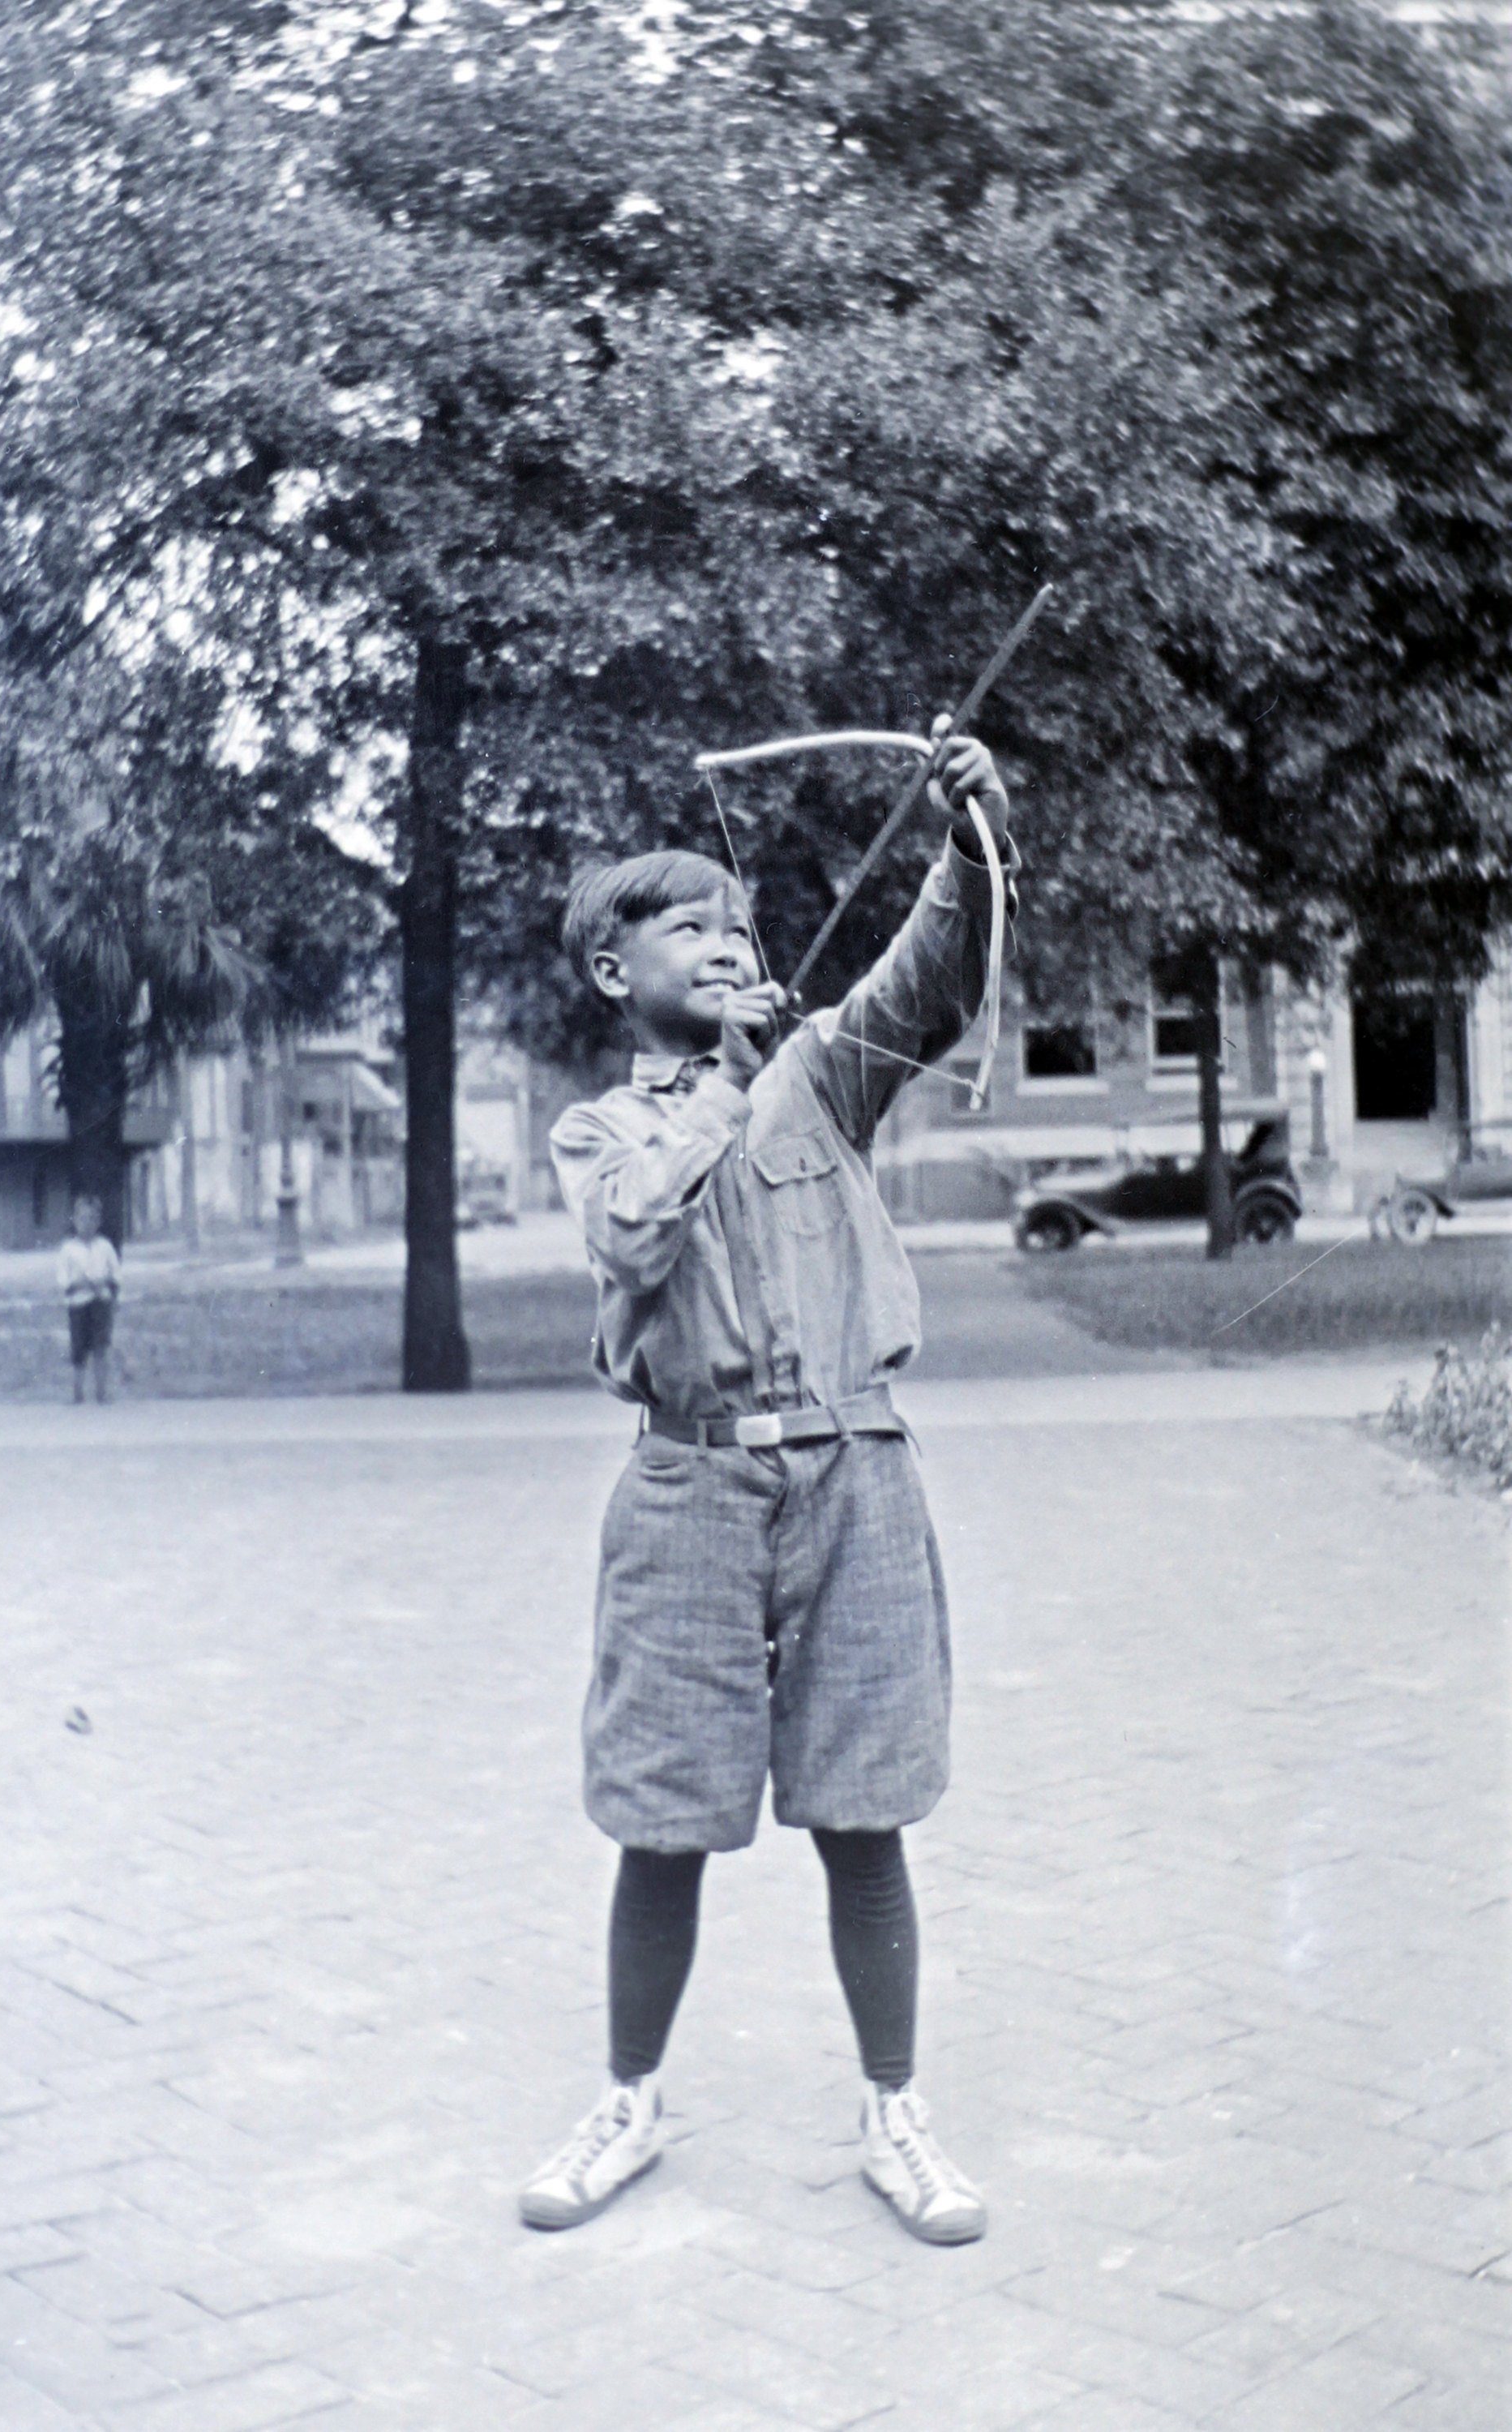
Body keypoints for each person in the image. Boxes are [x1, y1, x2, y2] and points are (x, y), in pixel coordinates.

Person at [523, 718, 1017, 2245]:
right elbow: (630, 1240)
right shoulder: (603, 1124)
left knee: (864, 1815)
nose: (728, 943)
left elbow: (935, 971)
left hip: (854, 1470)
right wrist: (724, 1090)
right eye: (690, 927)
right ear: (616, 972)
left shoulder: (819, 1073)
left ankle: (893, 2111)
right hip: (683, 1488)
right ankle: (627, 2100)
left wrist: (963, 836)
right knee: (659, 1817)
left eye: (737, 924)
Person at [57, 1193, 121, 1404]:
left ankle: (102, 1393)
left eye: (93, 1218)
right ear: (74, 1220)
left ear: (99, 1221)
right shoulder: (68, 1249)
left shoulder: (105, 1247)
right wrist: (82, 1285)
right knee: (79, 1349)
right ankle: (78, 1394)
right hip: (78, 1305)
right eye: (83, 1218)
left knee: (101, 1347)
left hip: (100, 1303)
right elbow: (64, 1282)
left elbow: (115, 1275)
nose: (88, 1224)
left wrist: (105, 1286)